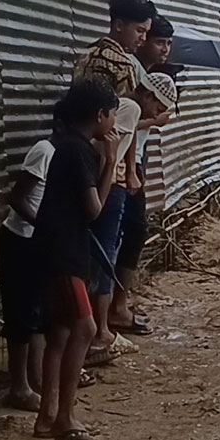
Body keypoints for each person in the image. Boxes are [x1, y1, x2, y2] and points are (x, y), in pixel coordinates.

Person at [33, 80, 122, 440]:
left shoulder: (68, 145)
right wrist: (112, 163)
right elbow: (94, 209)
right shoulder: (78, 151)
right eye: (113, 114)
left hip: (55, 249)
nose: (115, 123)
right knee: (84, 328)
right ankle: (65, 417)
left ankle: (47, 416)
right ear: (100, 115)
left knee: (62, 333)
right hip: (65, 253)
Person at [86, 73, 178, 363]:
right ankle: (100, 331)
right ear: (150, 96)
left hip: (113, 182)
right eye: (159, 107)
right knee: (105, 255)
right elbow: (107, 147)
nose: (158, 114)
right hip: (109, 186)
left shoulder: (126, 108)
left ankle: (99, 327)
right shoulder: (132, 108)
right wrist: (110, 177)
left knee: (105, 254)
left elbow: (124, 143)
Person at [111, 14, 176, 337]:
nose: (163, 48)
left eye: (167, 43)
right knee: (130, 231)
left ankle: (117, 305)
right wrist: (155, 123)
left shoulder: (146, 75)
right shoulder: (129, 72)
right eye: (156, 40)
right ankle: (115, 309)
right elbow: (119, 123)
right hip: (124, 163)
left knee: (130, 232)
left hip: (133, 160)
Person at [0, 132, 56, 412]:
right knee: (20, 313)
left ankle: (35, 380)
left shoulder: (72, 153)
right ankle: (19, 387)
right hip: (19, 239)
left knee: (36, 310)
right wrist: (42, 225)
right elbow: (17, 197)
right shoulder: (45, 150)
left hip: (36, 240)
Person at [73, 0, 158, 97]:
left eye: (146, 32)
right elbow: (127, 109)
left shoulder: (87, 53)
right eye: (140, 30)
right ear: (119, 25)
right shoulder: (122, 65)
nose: (143, 38)